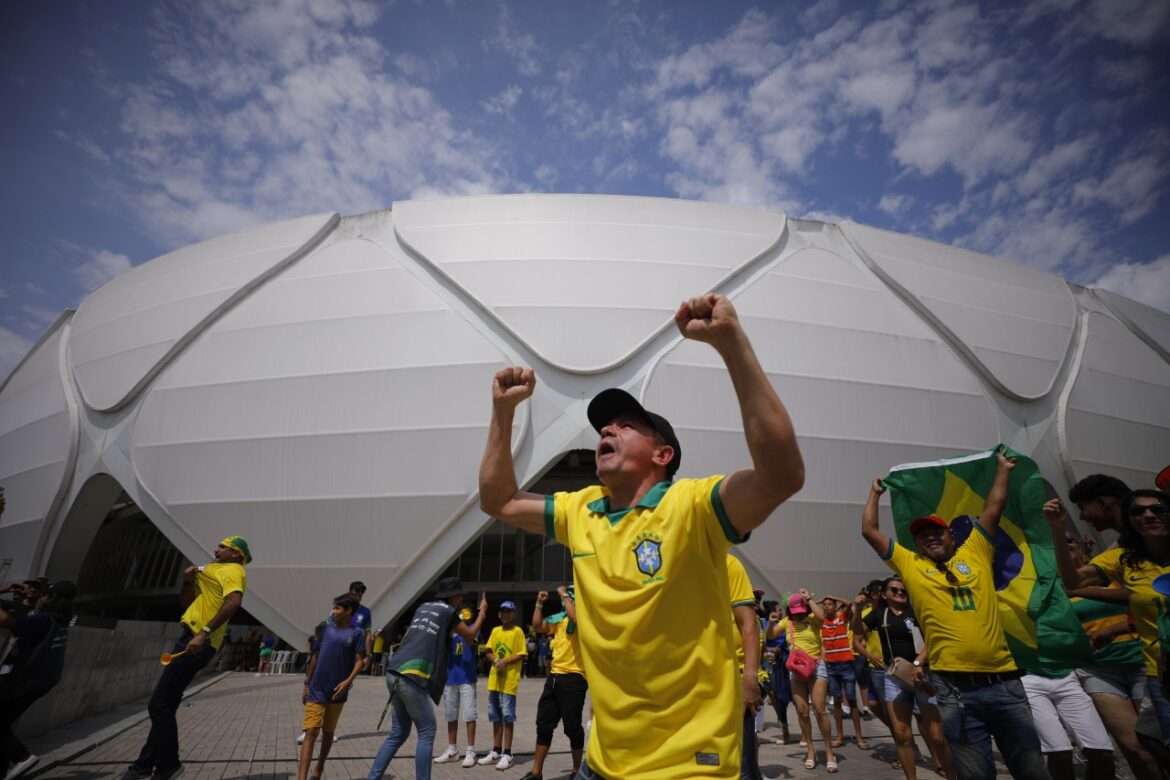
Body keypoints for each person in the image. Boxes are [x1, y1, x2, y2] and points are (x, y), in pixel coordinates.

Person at [478, 291, 804, 780]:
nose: (606, 428)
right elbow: (498, 500)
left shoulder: (693, 507)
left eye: (626, 425)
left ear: (662, 455)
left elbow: (781, 475)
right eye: (604, 425)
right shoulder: (581, 508)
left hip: (690, 766)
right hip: (603, 762)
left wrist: (731, 344)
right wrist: (504, 413)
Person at [861, 456, 1050, 780]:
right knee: (974, 774)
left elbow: (994, 508)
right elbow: (869, 531)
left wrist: (1002, 471)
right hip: (953, 690)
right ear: (916, 544)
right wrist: (875, 495)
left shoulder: (975, 550)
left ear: (951, 535)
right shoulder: (911, 565)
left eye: (937, 532)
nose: (930, 538)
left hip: (1004, 683)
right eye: (922, 536)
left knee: (1032, 771)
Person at [1049, 489, 1170, 752]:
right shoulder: (1123, 560)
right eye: (1138, 511)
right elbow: (1074, 582)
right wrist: (1058, 530)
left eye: (1157, 509)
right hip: (1158, 673)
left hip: (1135, 663)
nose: (1148, 515)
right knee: (1152, 743)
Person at [125, 536, 251, 780]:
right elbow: (188, 603)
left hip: (197, 642)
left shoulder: (234, 570)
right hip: (189, 635)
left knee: (158, 704)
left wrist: (204, 632)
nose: (216, 549)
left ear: (237, 554)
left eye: (223, 547)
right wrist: (186, 581)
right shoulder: (213, 570)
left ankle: (169, 764)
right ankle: (144, 764)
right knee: (166, 704)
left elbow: (234, 602)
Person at [367, 578, 487, 780]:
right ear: (455, 597)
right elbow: (470, 635)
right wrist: (482, 613)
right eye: (460, 597)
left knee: (398, 732)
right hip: (412, 675)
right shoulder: (448, 613)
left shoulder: (423, 607)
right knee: (427, 731)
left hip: (394, 669)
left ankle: (373, 777)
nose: (461, 600)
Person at [851, 578, 952, 780]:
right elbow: (857, 632)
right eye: (894, 590)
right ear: (885, 594)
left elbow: (934, 638)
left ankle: (951, 774)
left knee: (937, 735)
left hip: (923, 675)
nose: (899, 593)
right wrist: (857, 609)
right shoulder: (880, 614)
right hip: (895, 676)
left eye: (902, 589)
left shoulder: (917, 611)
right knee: (901, 734)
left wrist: (918, 663)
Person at [0, 580, 75, 779]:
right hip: (37, 682)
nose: (38, 596)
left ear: (50, 599)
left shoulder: (43, 620)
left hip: (22, 680)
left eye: (43, 594)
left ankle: (22, 757)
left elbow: (9, 621)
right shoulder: (59, 620)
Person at [521, 585, 588, 780]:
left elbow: (575, 617)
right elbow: (537, 625)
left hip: (575, 678)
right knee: (544, 724)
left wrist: (565, 595)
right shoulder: (559, 620)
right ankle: (536, 772)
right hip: (554, 677)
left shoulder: (585, 618)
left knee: (572, 727)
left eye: (570, 597)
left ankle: (577, 771)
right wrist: (539, 603)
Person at [297, 594, 366, 780]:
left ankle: (319, 766)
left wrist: (348, 681)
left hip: (338, 691)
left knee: (328, 733)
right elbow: (314, 658)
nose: (333, 612)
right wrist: (306, 683)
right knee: (311, 731)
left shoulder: (357, 633)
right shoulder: (324, 630)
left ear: (348, 611)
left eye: (337, 608)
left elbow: (360, 661)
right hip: (316, 688)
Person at [770, 591, 837, 772]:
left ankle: (829, 751)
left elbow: (824, 618)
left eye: (802, 609)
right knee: (802, 711)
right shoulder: (787, 622)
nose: (799, 613)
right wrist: (771, 622)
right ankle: (810, 750)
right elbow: (770, 635)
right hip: (796, 670)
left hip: (816, 666)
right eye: (796, 610)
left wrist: (809, 600)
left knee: (820, 709)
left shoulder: (813, 619)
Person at [725, 555, 764, 780]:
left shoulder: (727, 563)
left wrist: (750, 677)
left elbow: (748, 623)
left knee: (743, 767)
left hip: (733, 680)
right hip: (689, 684)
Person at [479, 600, 527, 770]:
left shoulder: (518, 631)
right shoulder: (495, 630)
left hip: (509, 682)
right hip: (494, 681)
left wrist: (504, 661)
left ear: (514, 614)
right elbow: (488, 650)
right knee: (495, 717)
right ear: (499, 614)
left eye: (509, 611)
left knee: (507, 717)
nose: (505, 614)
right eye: (503, 611)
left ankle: (507, 753)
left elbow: (521, 653)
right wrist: (496, 661)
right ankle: (496, 750)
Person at [434, 607, 481, 768]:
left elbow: (471, 639)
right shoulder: (448, 634)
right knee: (450, 715)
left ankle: (471, 750)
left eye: (465, 617)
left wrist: (482, 612)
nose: (463, 620)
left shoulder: (471, 631)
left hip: (467, 678)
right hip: (450, 679)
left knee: (469, 714)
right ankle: (452, 749)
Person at [819, 596, 867, 750]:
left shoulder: (841, 618)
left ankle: (859, 736)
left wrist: (834, 597)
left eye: (830, 604)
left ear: (835, 606)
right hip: (831, 665)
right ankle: (839, 735)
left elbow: (849, 604)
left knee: (852, 700)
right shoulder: (822, 621)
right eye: (825, 605)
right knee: (837, 701)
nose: (827, 607)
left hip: (846, 664)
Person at [763, 602, 792, 745]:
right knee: (774, 698)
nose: (780, 612)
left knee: (784, 698)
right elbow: (764, 641)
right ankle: (784, 730)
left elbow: (787, 642)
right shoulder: (763, 623)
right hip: (768, 665)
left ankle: (788, 733)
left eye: (780, 610)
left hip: (784, 665)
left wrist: (779, 649)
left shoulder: (785, 624)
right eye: (778, 610)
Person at [346, 581, 374, 670]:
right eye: (357, 590)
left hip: (356, 652)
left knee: (348, 681)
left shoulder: (365, 612)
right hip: (340, 648)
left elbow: (368, 634)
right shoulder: (341, 608)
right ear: (350, 592)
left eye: (362, 591)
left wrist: (368, 655)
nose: (360, 593)